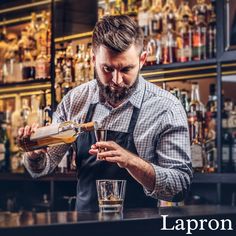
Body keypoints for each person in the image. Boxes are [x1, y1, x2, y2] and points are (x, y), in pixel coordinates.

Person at [18, 15, 192, 212]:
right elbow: (43, 167)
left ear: (142, 60)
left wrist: (131, 162)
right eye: (107, 69)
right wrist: (34, 157)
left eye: (126, 69)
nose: (116, 80)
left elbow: (179, 186)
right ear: (93, 59)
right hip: (84, 227)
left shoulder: (166, 108)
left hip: (140, 228)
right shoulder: (76, 100)